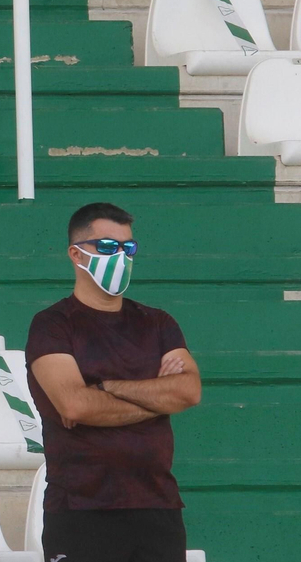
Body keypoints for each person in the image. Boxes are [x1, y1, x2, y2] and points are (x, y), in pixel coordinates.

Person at [27, 202, 202, 562]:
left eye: (128, 247)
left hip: (157, 504)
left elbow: (187, 391)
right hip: (80, 508)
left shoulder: (158, 323)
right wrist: (155, 398)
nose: (120, 256)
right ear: (76, 254)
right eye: (107, 247)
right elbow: (75, 405)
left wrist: (108, 387)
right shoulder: (52, 325)